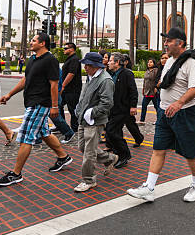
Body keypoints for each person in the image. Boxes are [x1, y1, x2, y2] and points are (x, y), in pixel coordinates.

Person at [127, 27, 195, 203]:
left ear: (179, 43)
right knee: (158, 148)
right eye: (165, 40)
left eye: (168, 41)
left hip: (187, 112)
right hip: (165, 112)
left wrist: (179, 102)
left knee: (191, 152)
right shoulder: (171, 61)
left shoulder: (191, 62)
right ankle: (149, 188)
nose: (165, 44)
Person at [0, 33, 72, 186]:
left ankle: (16, 174)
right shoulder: (33, 59)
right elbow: (26, 79)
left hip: (40, 103)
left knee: (25, 137)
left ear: (42, 43)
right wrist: (9, 94)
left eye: (34, 40)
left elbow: (54, 84)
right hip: (31, 102)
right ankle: (63, 157)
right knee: (44, 133)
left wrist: (54, 106)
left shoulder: (50, 60)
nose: (30, 42)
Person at [73, 52, 118, 192]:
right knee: (83, 147)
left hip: (94, 120)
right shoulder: (91, 76)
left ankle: (89, 179)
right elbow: (84, 95)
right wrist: (79, 110)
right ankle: (109, 158)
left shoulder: (105, 80)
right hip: (83, 118)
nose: (85, 67)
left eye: (87, 64)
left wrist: (90, 113)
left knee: (89, 153)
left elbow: (107, 103)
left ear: (95, 65)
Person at [105, 52, 140, 169]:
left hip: (122, 108)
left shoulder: (126, 74)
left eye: (110, 60)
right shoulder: (111, 73)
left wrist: (133, 106)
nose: (108, 62)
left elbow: (133, 90)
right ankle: (118, 154)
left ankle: (124, 155)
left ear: (117, 63)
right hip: (112, 108)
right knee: (113, 133)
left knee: (111, 131)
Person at [59, 42, 82, 139]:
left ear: (72, 49)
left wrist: (63, 86)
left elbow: (71, 74)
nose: (64, 50)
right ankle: (61, 125)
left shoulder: (75, 59)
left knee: (72, 109)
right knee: (59, 105)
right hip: (66, 89)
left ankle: (74, 128)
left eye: (65, 48)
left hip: (72, 89)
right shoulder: (69, 59)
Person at [141, 59, 159, 124]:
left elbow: (157, 79)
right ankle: (142, 120)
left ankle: (159, 120)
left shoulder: (156, 71)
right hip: (147, 92)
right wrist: (143, 89)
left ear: (154, 63)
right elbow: (144, 81)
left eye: (151, 62)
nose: (149, 63)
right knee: (144, 106)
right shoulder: (147, 71)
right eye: (148, 62)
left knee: (157, 107)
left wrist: (156, 87)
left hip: (153, 92)